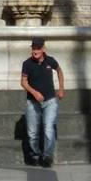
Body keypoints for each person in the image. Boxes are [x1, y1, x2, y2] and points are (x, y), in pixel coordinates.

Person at [20, 38, 65, 167]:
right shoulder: (27, 64)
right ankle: (35, 155)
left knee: (48, 128)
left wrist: (61, 89)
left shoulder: (50, 61)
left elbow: (59, 71)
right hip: (33, 102)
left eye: (38, 48)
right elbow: (23, 82)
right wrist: (34, 93)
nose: (35, 51)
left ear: (43, 49)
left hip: (50, 101)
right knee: (32, 133)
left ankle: (47, 156)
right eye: (34, 48)